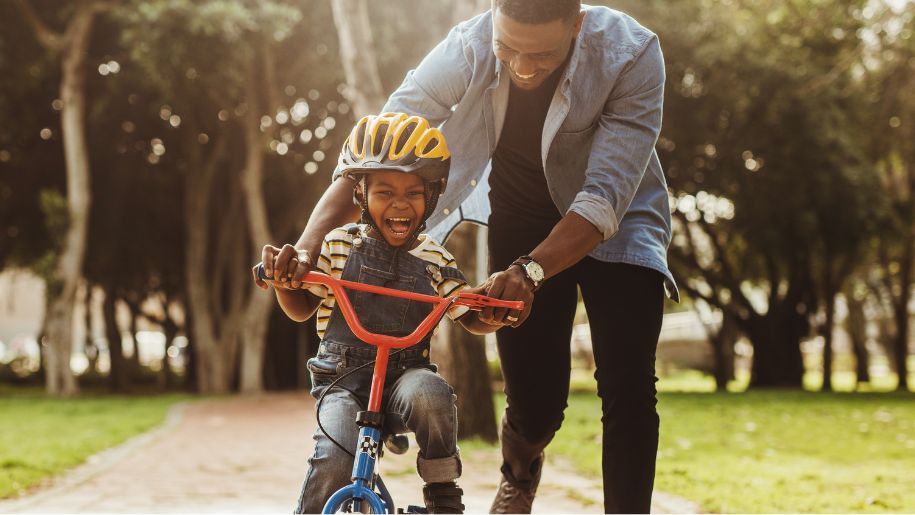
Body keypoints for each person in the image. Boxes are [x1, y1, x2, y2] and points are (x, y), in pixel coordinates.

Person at [273, 1, 678, 513]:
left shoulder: (632, 54)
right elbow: (377, 149)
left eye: (542, 55)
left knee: (628, 383)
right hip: (523, 218)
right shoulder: (468, 45)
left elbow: (602, 198)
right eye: (508, 49)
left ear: (577, 25)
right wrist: (309, 244)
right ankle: (520, 473)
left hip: (619, 220)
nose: (523, 68)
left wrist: (531, 272)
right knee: (536, 406)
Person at [254, 113, 504, 514]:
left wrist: (490, 312)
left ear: (433, 196)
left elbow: (465, 311)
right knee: (335, 457)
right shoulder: (338, 245)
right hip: (343, 380)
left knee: (432, 394)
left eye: (414, 193)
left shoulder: (435, 258)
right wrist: (286, 282)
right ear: (361, 194)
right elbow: (301, 308)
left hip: (405, 378)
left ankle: (443, 493)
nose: (400, 204)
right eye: (385, 191)